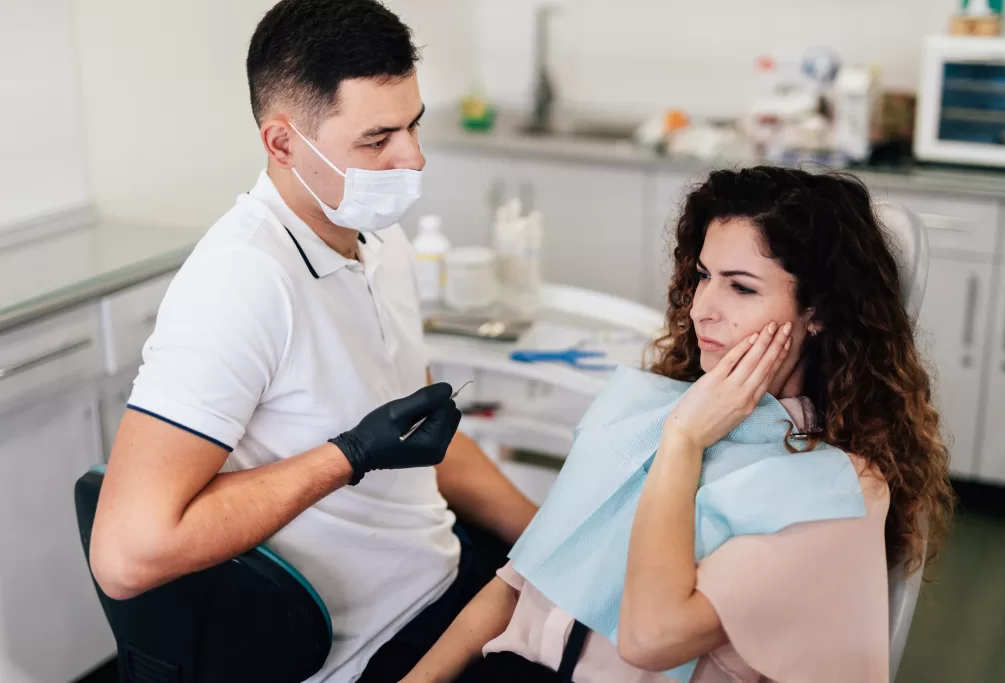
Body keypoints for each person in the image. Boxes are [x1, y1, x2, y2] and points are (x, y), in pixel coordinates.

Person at [88, 1, 537, 681]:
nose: (412, 157)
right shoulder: (241, 282)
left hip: (440, 575)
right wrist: (347, 455)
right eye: (377, 138)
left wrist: (544, 535)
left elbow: (420, 439)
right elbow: (125, 555)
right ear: (283, 143)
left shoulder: (382, 239)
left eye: (414, 125)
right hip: (360, 649)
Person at [399, 167, 956, 683]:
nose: (701, 308)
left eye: (741, 287)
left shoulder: (835, 489)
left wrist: (683, 443)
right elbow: (518, 582)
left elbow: (650, 638)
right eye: (703, 276)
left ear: (820, 311)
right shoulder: (646, 409)